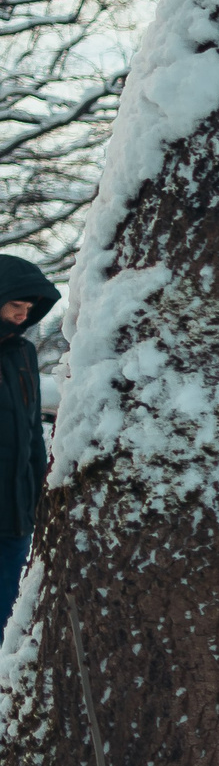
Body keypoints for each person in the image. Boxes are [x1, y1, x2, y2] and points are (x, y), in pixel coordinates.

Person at [0, 256, 59, 611]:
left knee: (7, 612)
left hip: (16, 515)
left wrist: (40, 499)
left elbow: (31, 433)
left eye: (28, 308)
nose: (23, 315)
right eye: (15, 305)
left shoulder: (24, 353)